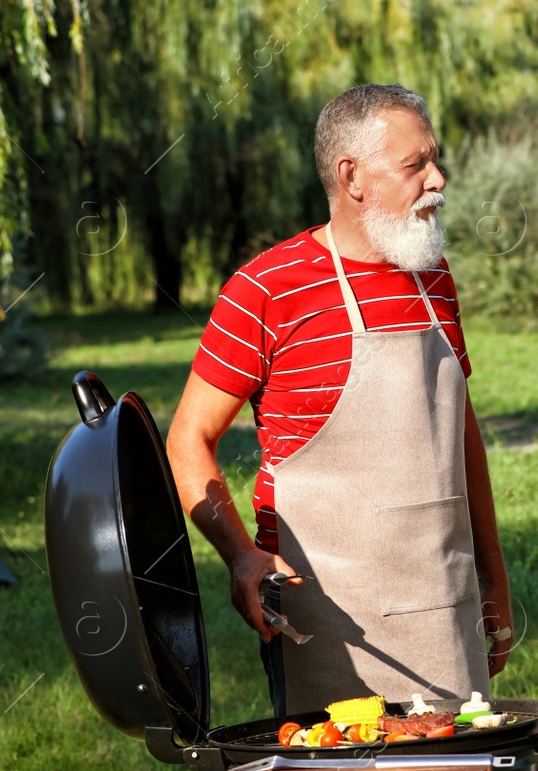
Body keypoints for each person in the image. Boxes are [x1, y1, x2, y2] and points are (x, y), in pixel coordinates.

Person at [167, 83, 514, 717]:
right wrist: (240, 556)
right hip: (323, 614)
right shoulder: (267, 288)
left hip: (443, 599)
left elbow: (460, 432)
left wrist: (493, 577)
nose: (437, 180)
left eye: (435, 161)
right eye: (415, 166)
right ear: (351, 176)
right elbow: (187, 439)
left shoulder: (433, 275)